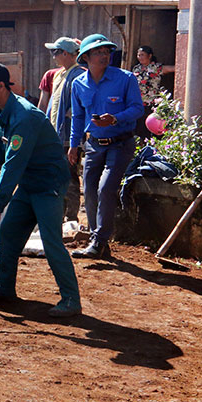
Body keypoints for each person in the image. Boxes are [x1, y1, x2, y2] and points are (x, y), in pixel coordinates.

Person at [0, 62, 82, 318]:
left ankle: (71, 299)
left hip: (48, 184)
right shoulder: (5, 110)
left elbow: (13, 165)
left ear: (1, 86)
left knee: (51, 241)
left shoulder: (24, 116)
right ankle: (5, 288)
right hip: (29, 183)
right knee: (9, 233)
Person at [69, 34, 143, 259]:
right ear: (87, 57)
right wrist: (74, 145)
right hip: (93, 145)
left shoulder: (126, 78)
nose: (105, 56)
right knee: (89, 192)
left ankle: (99, 240)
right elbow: (78, 117)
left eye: (107, 52)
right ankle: (98, 240)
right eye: (99, 52)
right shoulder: (78, 84)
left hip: (120, 144)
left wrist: (115, 118)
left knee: (106, 188)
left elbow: (138, 109)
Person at [42, 37, 84, 222]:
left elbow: (83, 104)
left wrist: (72, 112)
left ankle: (71, 216)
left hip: (69, 137)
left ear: (65, 53)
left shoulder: (79, 75)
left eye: (56, 52)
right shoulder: (59, 74)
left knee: (69, 177)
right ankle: (60, 214)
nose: (54, 57)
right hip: (56, 135)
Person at [131, 45, 176, 137]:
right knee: (138, 129)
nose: (140, 57)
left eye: (142, 55)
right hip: (138, 103)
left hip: (150, 104)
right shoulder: (136, 68)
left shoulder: (156, 67)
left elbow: (173, 68)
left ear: (150, 55)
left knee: (150, 128)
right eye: (139, 55)